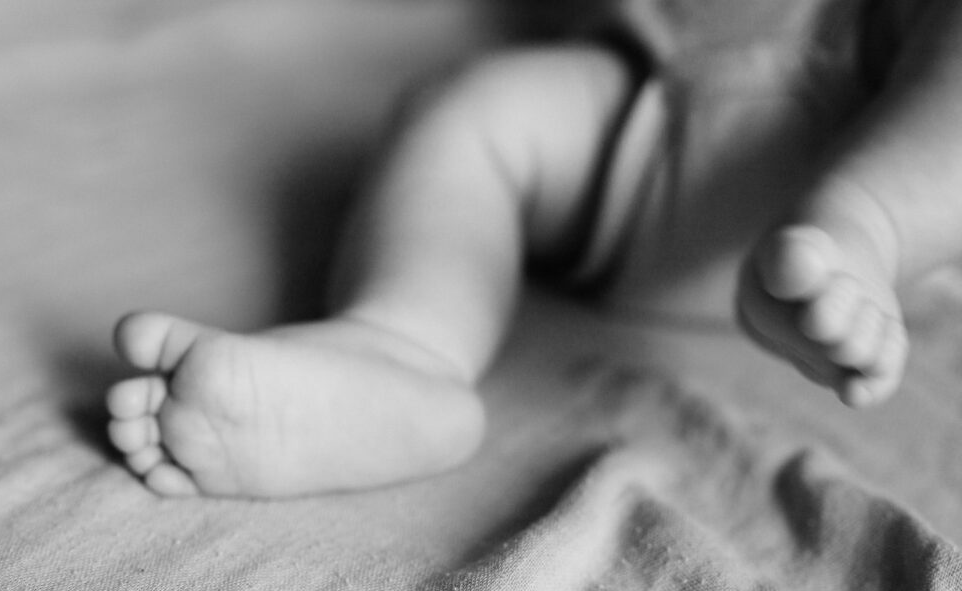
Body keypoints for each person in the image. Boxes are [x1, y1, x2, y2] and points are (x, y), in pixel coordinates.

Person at [105, 0, 962, 498]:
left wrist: (869, 227)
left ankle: (864, 225)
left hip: (885, 133)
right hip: (647, 123)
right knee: (470, 115)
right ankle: (402, 347)